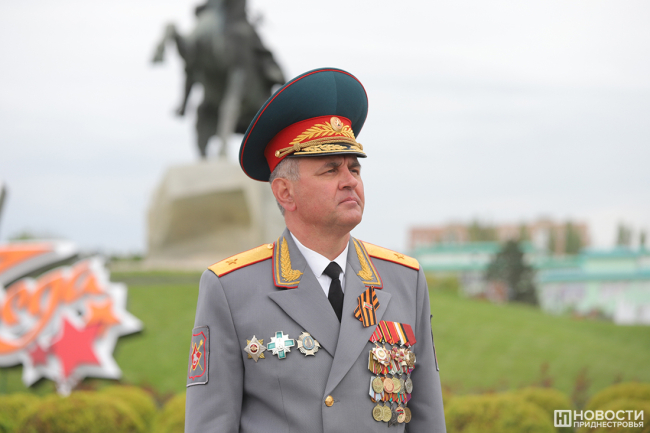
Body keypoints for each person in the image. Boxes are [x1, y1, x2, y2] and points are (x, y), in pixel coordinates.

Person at [185, 67, 446, 432]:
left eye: (354, 169)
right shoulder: (231, 288)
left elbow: (428, 418)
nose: (350, 181)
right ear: (285, 192)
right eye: (330, 170)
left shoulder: (405, 279)